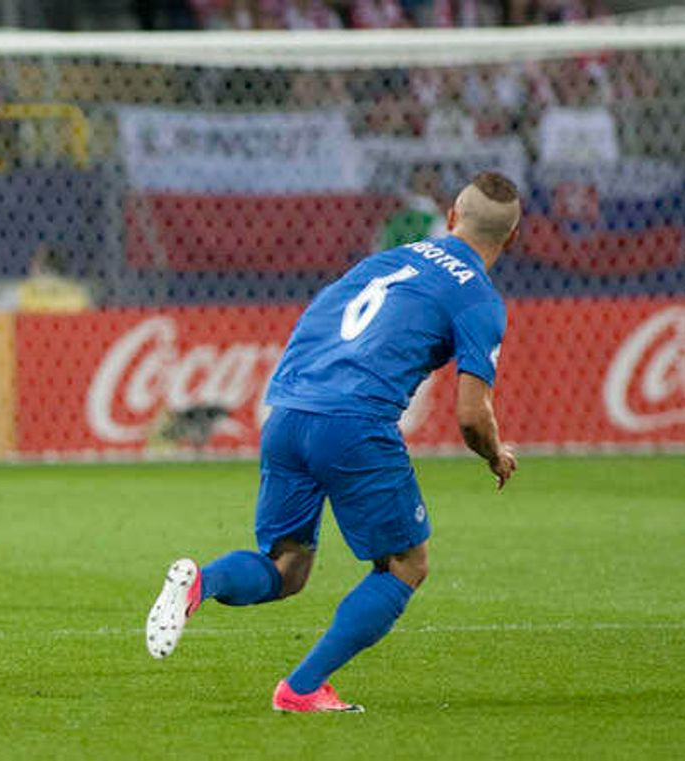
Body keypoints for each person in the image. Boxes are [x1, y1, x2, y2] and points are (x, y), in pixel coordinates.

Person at [145, 171, 520, 713]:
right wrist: (495, 452)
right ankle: (301, 688)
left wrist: (300, 394)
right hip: (354, 423)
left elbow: (320, 313)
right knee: (406, 566)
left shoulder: (392, 258)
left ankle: (201, 583)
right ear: (511, 239)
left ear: (454, 218)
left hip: (290, 410)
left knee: (286, 567)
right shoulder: (480, 300)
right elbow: (470, 414)